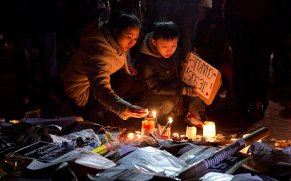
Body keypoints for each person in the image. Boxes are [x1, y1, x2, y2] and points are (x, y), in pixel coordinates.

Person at [63, 11, 149, 122]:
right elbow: (100, 88)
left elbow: (117, 55)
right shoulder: (98, 52)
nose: (132, 42)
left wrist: (126, 68)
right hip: (82, 92)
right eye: (129, 37)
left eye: (135, 39)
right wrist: (124, 108)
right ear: (115, 31)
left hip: (92, 82)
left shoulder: (109, 37)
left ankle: (109, 112)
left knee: (134, 85)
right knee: (124, 82)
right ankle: (94, 114)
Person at [136, 21, 206, 127]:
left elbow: (175, 65)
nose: (170, 50)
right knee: (167, 104)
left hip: (174, 87)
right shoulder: (147, 60)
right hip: (155, 97)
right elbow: (153, 87)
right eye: (164, 46)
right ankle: (155, 119)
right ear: (154, 42)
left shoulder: (175, 51)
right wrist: (181, 90)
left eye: (174, 45)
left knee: (197, 86)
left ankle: (193, 114)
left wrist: (182, 64)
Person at [224, 0, 283, 120]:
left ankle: (258, 101)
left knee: (260, 62)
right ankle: (242, 102)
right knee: (241, 62)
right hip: (239, 15)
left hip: (263, 16)